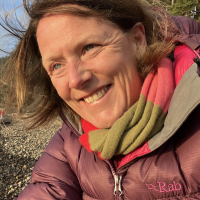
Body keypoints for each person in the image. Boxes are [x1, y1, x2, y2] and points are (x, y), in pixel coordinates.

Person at [1, 0, 200, 199]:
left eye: (89, 48)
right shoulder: (70, 140)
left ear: (138, 41)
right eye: (56, 66)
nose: (75, 80)